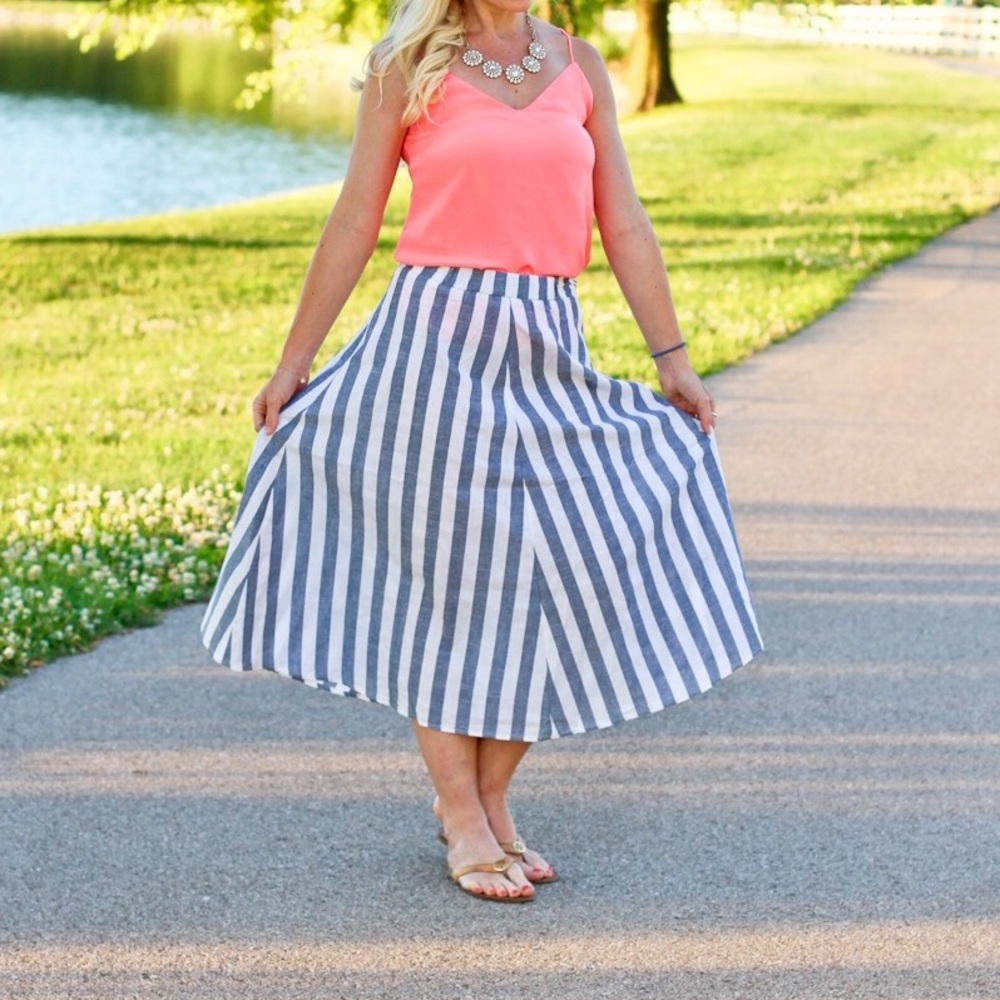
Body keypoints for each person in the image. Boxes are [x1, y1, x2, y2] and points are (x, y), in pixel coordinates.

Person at [201, 0, 762, 904]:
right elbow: (353, 222)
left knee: (564, 574)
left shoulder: (580, 65)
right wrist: (294, 363)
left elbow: (622, 223)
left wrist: (675, 363)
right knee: (451, 587)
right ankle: (465, 817)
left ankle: (488, 798)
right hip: (430, 350)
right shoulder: (406, 64)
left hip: (546, 348)